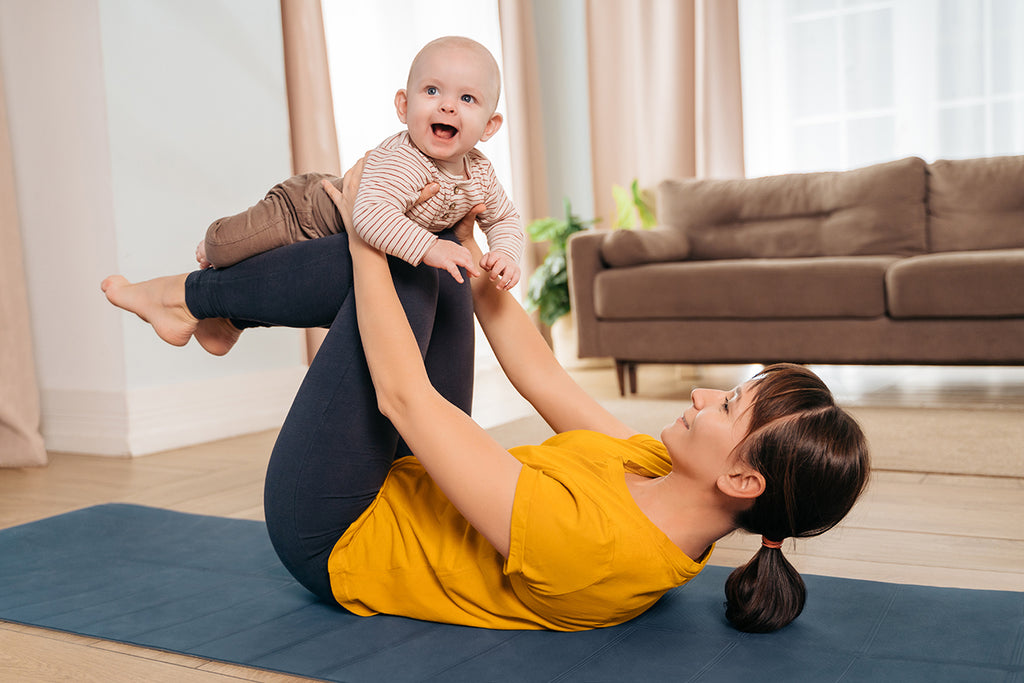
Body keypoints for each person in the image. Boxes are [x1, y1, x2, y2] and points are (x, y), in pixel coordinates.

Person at [101, 161, 870, 634]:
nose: (704, 394)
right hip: (402, 483)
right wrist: (471, 245)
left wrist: (374, 227)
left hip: (335, 534)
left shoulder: (597, 548)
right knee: (435, 270)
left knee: (398, 269)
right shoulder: (661, 473)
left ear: (742, 480)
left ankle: (194, 301)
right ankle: (201, 309)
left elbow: (405, 399)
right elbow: (542, 375)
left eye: (729, 404)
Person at [196, 35, 523, 293]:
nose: (448, 106)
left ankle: (227, 321)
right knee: (225, 248)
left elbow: (503, 217)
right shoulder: (404, 159)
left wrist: (505, 254)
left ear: (489, 126)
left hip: (334, 249)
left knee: (266, 272)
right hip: (303, 212)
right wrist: (430, 247)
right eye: (432, 90)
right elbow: (370, 214)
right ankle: (211, 244)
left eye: (467, 98)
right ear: (404, 106)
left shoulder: (480, 173)